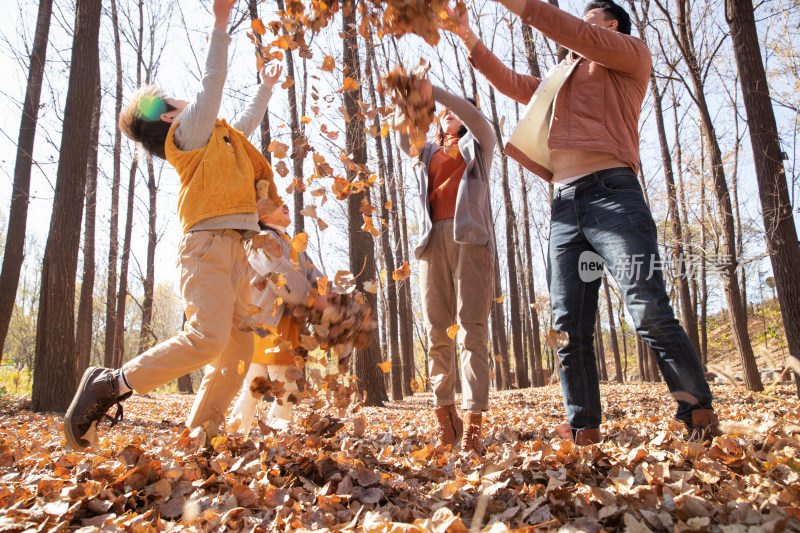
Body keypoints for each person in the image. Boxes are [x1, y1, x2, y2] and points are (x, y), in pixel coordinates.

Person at [444, 0, 719, 444]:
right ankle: (584, 430)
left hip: (614, 195)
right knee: (568, 326)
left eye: (589, 19)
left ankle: (697, 411)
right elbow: (513, 83)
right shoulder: (561, 82)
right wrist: (466, 36)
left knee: (647, 308)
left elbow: (580, 36)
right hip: (564, 208)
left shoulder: (629, 55)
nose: (579, 28)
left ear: (611, 25)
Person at [64, 0, 285, 451]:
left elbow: (241, 124)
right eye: (177, 100)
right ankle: (112, 382)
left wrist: (264, 89)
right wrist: (221, 24)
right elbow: (213, 85)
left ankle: (199, 438)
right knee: (206, 338)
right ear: (168, 117)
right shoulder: (186, 135)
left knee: (238, 348)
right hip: (205, 247)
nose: (191, 100)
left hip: (233, 248)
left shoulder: (217, 140)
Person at [394, 80, 495, 455]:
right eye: (445, 111)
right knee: (437, 331)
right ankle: (445, 419)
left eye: (459, 110)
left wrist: (438, 93)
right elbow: (404, 141)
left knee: (471, 331)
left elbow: (479, 121)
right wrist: (408, 101)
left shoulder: (479, 145)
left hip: (471, 240)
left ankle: (473, 425)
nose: (450, 113)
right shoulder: (429, 151)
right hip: (431, 242)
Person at [228, 201, 326, 438]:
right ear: (260, 213)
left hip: (289, 325)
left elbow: (314, 275)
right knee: (273, 387)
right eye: (276, 203)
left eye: (284, 203)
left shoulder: (296, 246)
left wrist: (330, 295)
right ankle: (255, 438)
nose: (284, 205)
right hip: (266, 324)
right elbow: (281, 275)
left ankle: (250, 436)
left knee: (268, 387)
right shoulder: (259, 238)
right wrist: (313, 300)